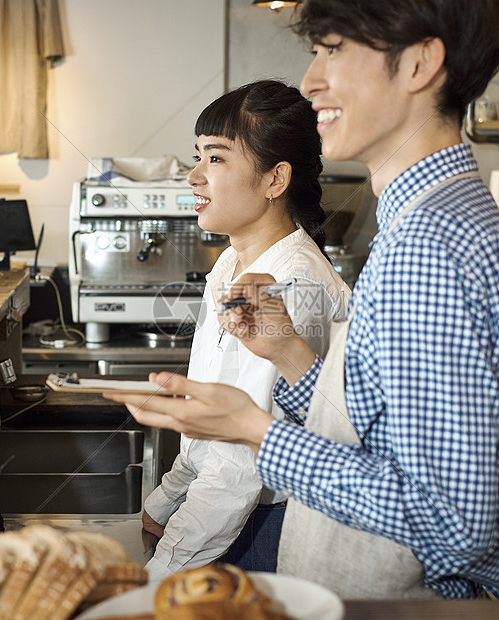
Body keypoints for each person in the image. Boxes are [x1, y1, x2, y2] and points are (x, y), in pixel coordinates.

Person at [105, 0, 499, 599]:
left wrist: (258, 432)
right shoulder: (428, 223)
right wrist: (291, 356)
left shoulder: (425, 246)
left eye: (333, 50)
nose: (312, 81)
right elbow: (381, 432)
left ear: (420, 62)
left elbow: (455, 527)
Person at [137, 79, 350, 583]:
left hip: (262, 525)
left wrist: (162, 573)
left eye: (216, 158)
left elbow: (240, 465)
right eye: (198, 157)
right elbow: (212, 416)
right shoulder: (234, 262)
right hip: (229, 515)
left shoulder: (289, 286)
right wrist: (168, 498)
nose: (194, 177)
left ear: (275, 179)